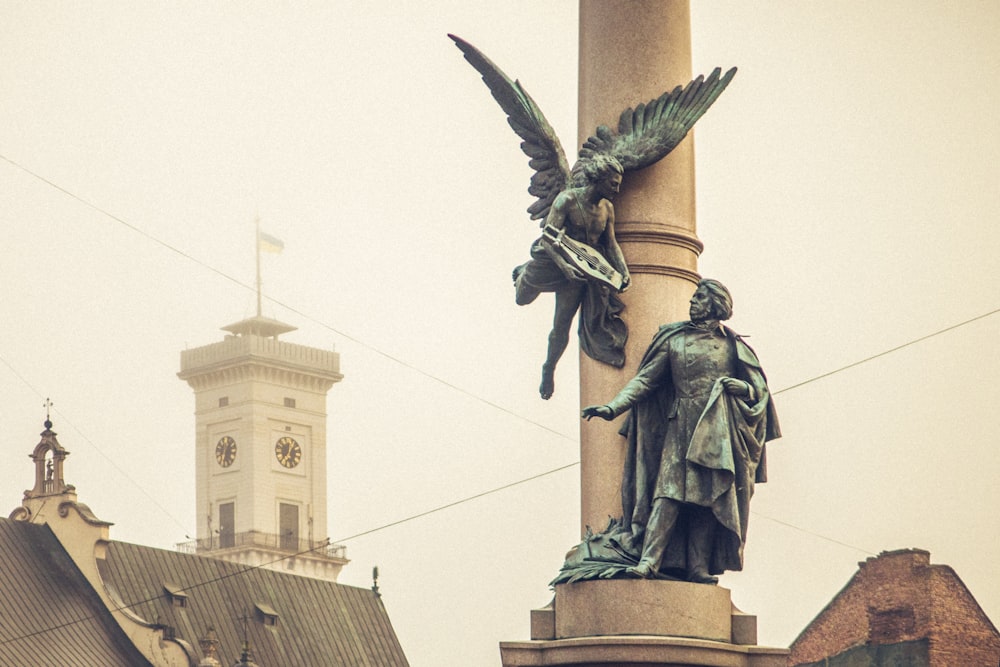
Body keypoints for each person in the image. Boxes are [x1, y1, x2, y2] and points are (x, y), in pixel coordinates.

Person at [582, 279, 780, 583]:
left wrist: (737, 386)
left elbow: (759, 392)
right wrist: (613, 406)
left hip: (717, 429)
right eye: (694, 297)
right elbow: (646, 381)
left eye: (699, 297)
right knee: (668, 494)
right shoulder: (674, 339)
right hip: (680, 425)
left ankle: (697, 567)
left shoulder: (733, 345)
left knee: (708, 498)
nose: (692, 302)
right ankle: (649, 560)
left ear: (715, 305)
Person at [513, 154, 631, 400]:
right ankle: (524, 271)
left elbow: (611, 244)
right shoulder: (566, 199)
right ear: (599, 179)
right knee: (521, 298)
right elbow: (549, 237)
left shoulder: (607, 208)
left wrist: (623, 270)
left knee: (561, 325)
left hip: (582, 268)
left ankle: (549, 367)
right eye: (613, 183)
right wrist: (565, 268)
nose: (617, 189)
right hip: (553, 259)